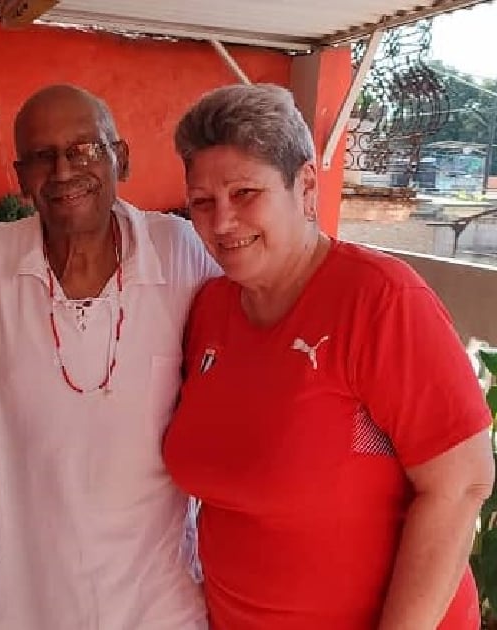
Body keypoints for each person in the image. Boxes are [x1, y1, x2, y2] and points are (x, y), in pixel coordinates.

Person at [163, 83, 495, 630]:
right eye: (202, 202)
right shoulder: (209, 309)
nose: (221, 222)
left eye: (245, 193)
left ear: (306, 184)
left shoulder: (381, 301)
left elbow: (461, 484)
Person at [0, 84, 219, 629]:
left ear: (122, 157)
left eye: (85, 149)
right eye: (42, 156)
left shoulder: (180, 250)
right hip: (26, 600)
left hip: (160, 602)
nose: (64, 170)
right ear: (21, 177)